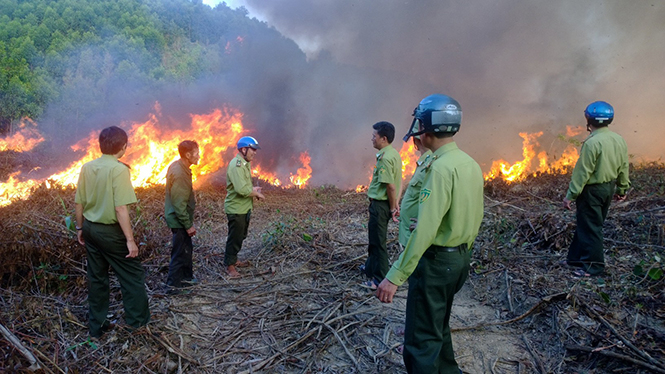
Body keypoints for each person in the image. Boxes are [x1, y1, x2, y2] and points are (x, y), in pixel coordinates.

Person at [376, 94, 484, 374]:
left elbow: (424, 231)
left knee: (420, 341)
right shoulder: (468, 163)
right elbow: (473, 217)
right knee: (438, 326)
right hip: (457, 260)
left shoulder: (440, 169)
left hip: (435, 262)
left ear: (425, 125)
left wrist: (395, 276)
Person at [74, 126, 150, 338]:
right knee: (132, 275)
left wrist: (80, 228)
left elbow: (79, 202)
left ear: (101, 144)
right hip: (110, 232)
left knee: (97, 278)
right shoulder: (119, 170)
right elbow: (120, 208)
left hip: (90, 228)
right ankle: (138, 325)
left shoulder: (87, 167)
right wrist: (130, 240)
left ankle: (96, 326)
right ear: (123, 146)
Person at [563, 101, 630, 277]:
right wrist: (622, 188)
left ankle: (593, 267)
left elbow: (582, 173)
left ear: (588, 119)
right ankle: (575, 259)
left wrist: (571, 195)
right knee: (587, 224)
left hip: (591, 191)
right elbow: (624, 166)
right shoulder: (618, 139)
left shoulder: (592, 143)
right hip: (608, 188)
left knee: (591, 227)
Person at [363, 121, 402, 289]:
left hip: (381, 205)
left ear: (383, 138)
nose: (372, 139)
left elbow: (390, 186)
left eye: (374, 136)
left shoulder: (385, 159)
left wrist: (393, 207)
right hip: (383, 204)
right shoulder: (394, 154)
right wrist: (395, 204)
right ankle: (370, 268)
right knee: (374, 239)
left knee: (378, 242)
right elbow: (397, 184)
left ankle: (379, 279)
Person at [224, 136, 265, 277]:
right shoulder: (237, 165)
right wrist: (256, 194)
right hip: (236, 209)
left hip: (244, 208)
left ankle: (234, 260)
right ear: (244, 149)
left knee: (241, 235)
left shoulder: (245, 164)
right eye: (252, 150)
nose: (255, 153)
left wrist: (253, 188)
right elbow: (241, 190)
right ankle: (230, 267)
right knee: (234, 237)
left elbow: (244, 185)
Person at [164, 140, 200, 293]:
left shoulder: (181, 167)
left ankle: (186, 278)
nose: (199, 156)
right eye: (196, 153)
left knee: (186, 249)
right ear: (187, 154)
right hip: (179, 221)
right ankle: (173, 286)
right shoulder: (179, 173)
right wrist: (188, 225)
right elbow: (179, 204)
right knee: (179, 252)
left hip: (180, 219)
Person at [398, 135, 431, 247]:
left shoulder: (431, 164)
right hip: (409, 235)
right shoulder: (423, 163)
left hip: (417, 239)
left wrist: (427, 224)